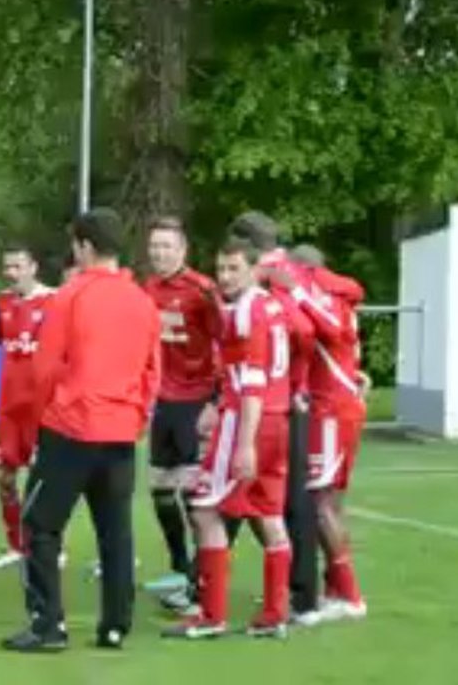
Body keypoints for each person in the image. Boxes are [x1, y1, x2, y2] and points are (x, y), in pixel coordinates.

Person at [2, 208, 162, 653]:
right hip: (119, 432)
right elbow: (153, 371)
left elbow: (46, 368)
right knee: (116, 532)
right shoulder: (143, 301)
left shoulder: (70, 296)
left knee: (39, 525)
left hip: (71, 428)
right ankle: (115, 625)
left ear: (85, 247)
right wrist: (136, 417)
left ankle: (48, 624)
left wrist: (38, 423)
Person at [164, 237, 293, 640]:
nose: (224, 277)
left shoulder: (247, 311)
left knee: (205, 510)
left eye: (234, 268)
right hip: (277, 417)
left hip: (248, 419)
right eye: (220, 269)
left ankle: (212, 615)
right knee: (269, 516)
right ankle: (275, 614)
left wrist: (244, 442)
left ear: (255, 270)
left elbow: (251, 381)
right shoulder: (272, 306)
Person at [267, 248, 369, 623]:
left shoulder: (322, 297)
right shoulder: (339, 293)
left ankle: (351, 593)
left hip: (331, 410)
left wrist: (295, 291)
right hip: (337, 404)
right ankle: (335, 586)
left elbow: (330, 329)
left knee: (320, 500)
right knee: (327, 499)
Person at [139, 217, 223, 605]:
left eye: (167, 246)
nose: (159, 253)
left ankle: (198, 579)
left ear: (183, 250)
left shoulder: (202, 291)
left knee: (192, 493)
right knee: (159, 488)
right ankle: (179, 566)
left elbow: (226, 343)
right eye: (154, 246)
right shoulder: (148, 289)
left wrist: (215, 401)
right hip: (163, 401)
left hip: (196, 399)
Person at [0, 245, 54, 569]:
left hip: (41, 408)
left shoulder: (53, 302)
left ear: (33, 267)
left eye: (18, 266)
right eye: (7, 266)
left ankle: (50, 544)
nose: (11, 272)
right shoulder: (3, 302)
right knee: (4, 476)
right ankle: (16, 545)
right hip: (9, 407)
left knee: (44, 479)